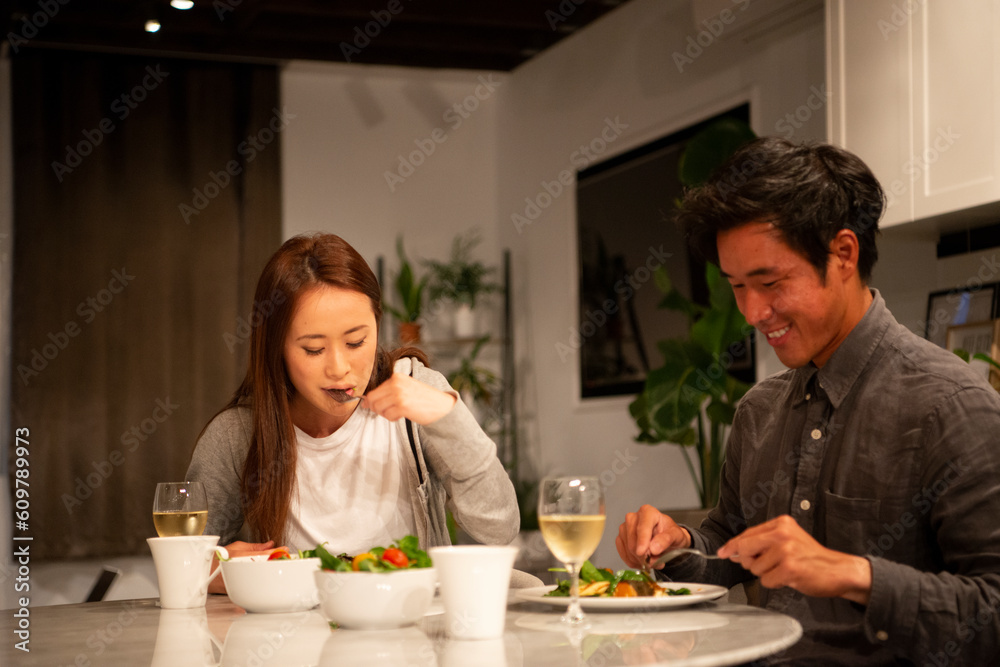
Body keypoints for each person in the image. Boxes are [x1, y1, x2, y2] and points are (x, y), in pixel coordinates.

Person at [616, 137, 1000, 665]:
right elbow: (730, 545)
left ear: (843, 254)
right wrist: (679, 544)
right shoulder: (758, 410)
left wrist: (853, 574)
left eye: (770, 282)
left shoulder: (951, 406)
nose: (752, 312)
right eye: (737, 286)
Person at [187, 233, 519, 593]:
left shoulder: (416, 395)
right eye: (313, 349)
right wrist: (214, 570)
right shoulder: (237, 434)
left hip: (415, 626)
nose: (339, 368)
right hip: (294, 630)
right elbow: (185, 568)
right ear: (276, 347)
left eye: (356, 342)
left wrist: (449, 419)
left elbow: (499, 529)